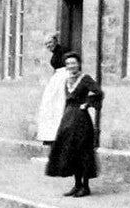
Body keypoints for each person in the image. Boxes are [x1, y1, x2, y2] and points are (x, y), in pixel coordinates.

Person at [46, 52, 104, 197]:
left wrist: (87, 104)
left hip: (81, 120)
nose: (71, 66)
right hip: (68, 118)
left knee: (82, 151)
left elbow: (98, 93)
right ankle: (76, 185)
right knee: (71, 151)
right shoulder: (67, 81)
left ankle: (85, 186)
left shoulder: (85, 79)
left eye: (73, 63)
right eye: (68, 64)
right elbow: (66, 101)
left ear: (79, 64)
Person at [36, 32, 71, 146]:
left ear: (56, 41)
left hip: (63, 77)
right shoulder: (55, 52)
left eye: (50, 42)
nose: (48, 45)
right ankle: (50, 135)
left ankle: (58, 135)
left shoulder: (63, 51)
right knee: (49, 105)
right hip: (57, 79)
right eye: (46, 44)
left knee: (59, 105)